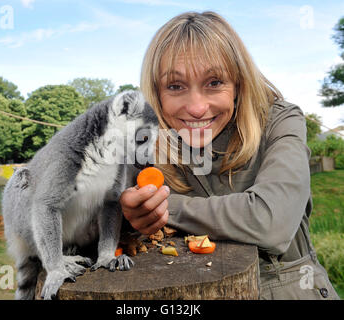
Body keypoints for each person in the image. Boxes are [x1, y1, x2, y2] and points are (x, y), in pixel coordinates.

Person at [120, 11, 339, 300]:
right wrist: (126, 214)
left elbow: (270, 222)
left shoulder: (281, 120)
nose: (197, 108)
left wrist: (165, 208)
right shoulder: (145, 141)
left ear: (237, 84)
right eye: (175, 86)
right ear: (157, 93)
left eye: (214, 83)